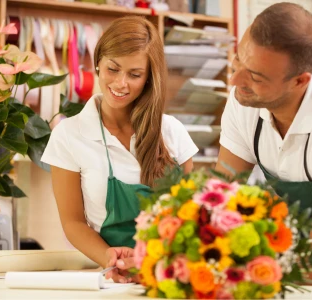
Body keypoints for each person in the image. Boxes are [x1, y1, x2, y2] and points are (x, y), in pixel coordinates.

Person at [41, 16, 198, 283]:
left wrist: (153, 261)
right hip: (113, 275)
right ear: (98, 62)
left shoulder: (171, 132)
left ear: (149, 78)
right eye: (113, 69)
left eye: (135, 74)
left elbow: (191, 216)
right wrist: (111, 259)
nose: (120, 83)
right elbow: (73, 223)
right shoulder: (68, 135)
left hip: (169, 272)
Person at [216, 2, 312, 286]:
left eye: (255, 76)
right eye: (238, 59)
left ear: (300, 81)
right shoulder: (244, 99)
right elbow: (221, 200)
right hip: (294, 267)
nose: (235, 79)